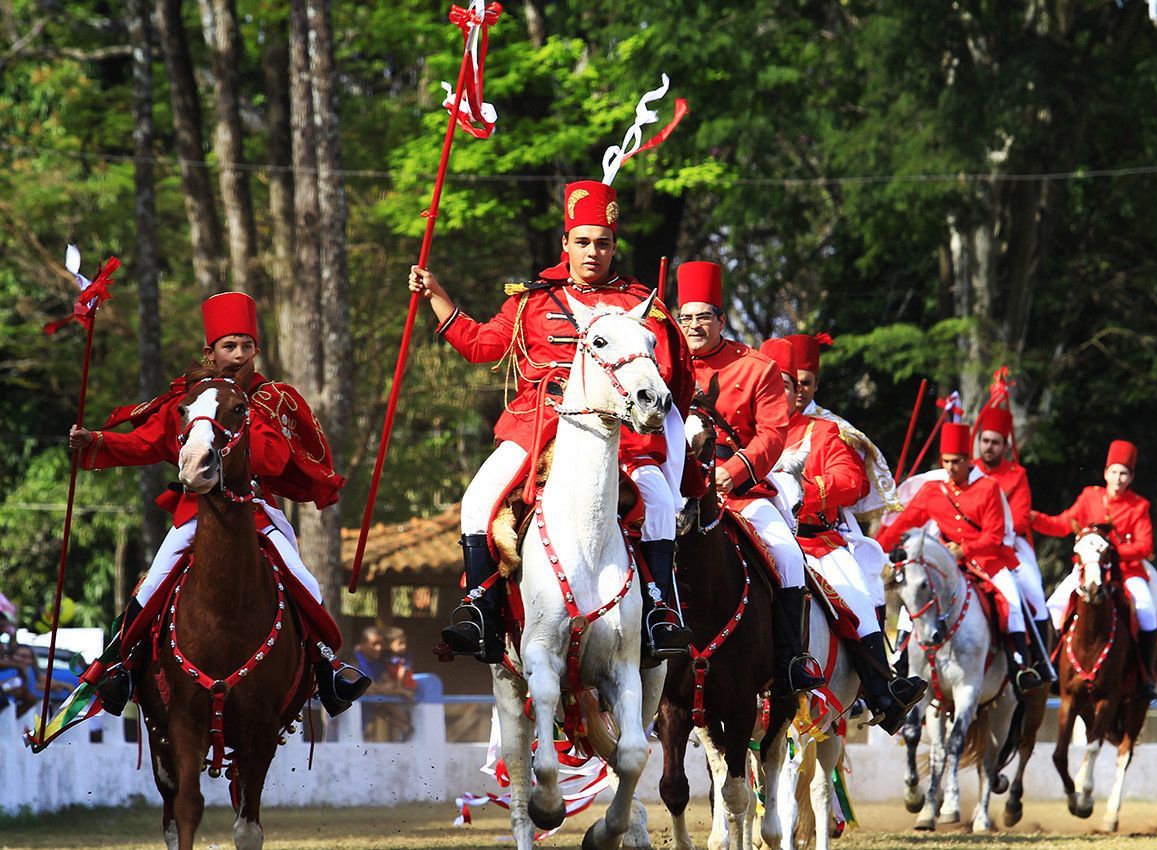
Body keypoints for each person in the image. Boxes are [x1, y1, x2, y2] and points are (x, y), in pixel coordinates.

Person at [409, 180, 695, 665]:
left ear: (614, 247)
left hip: (619, 435)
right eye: (582, 242)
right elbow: (481, 345)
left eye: (602, 243)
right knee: (478, 500)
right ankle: (480, 609)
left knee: (661, 502)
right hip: (537, 427)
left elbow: (663, 374)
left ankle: (660, 614)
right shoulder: (532, 301)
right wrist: (436, 295)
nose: (592, 252)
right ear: (565, 244)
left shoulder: (641, 305)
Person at [67, 292, 369, 716]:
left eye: (247, 346)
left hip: (256, 511)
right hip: (198, 512)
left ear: (257, 351)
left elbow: (276, 458)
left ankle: (327, 667)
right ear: (210, 352)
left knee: (306, 580)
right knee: (153, 580)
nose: (239, 355)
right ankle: (117, 666)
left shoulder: (270, 399)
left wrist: (241, 423)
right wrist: (96, 440)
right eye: (230, 346)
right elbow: (146, 441)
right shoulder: (191, 401)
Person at [761, 339, 925, 730]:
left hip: (814, 540)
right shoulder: (740, 428)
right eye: (780, 383)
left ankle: (881, 691)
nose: (791, 391)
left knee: (856, 595)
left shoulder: (825, 431)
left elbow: (850, 481)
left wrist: (806, 489)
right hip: (754, 533)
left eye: (796, 383)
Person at [678, 264, 823, 694]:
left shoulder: (756, 368)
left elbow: (774, 434)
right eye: (685, 318)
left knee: (788, 555)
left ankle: (789, 659)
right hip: (675, 487)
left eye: (703, 317)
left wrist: (733, 471)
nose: (693, 326)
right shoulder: (662, 363)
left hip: (739, 492)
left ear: (722, 320)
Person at [876, 422, 1043, 693]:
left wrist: (963, 550)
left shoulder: (988, 488)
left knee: (1010, 600)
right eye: (946, 461)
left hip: (987, 560)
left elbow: (994, 536)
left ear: (967, 460)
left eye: (956, 461)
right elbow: (903, 523)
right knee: (917, 594)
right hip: (945, 564)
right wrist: (877, 548)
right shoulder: (933, 490)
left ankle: (1020, 665)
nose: (951, 467)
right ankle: (902, 662)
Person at [788, 334, 901, 630]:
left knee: (861, 594)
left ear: (816, 385)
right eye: (790, 382)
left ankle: (877, 671)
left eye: (806, 383)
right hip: (761, 526)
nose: (798, 391)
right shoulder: (749, 424)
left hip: (821, 526)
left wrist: (801, 493)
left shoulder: (833, 428)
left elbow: (854, 483)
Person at [1033, 439, 1157, 699]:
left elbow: (1145, 546)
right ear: (1105, 473)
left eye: (1124, 473)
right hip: (1087, 570)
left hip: (1127, 571)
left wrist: (1111, 553)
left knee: (1147, 612)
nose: (1118, 478)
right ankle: (1053, 666)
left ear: (1131, 477)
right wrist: (1033, 518)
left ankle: (1145, 678)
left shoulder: (1139, 506)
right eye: (1114, 471)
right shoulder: (1089, 496)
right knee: (1054, 607)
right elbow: (1061, 524)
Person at [974, 406, 1053, 681]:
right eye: (985, 441)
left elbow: (1019, 518)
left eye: (995, 443)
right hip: (969, 543)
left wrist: (992, 529)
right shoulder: (967, 469)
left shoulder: (1017, 475)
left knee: (1034, 593)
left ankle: (1041, 662)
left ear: (1005, 446)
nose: (989, 447)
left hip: (1009, 545)